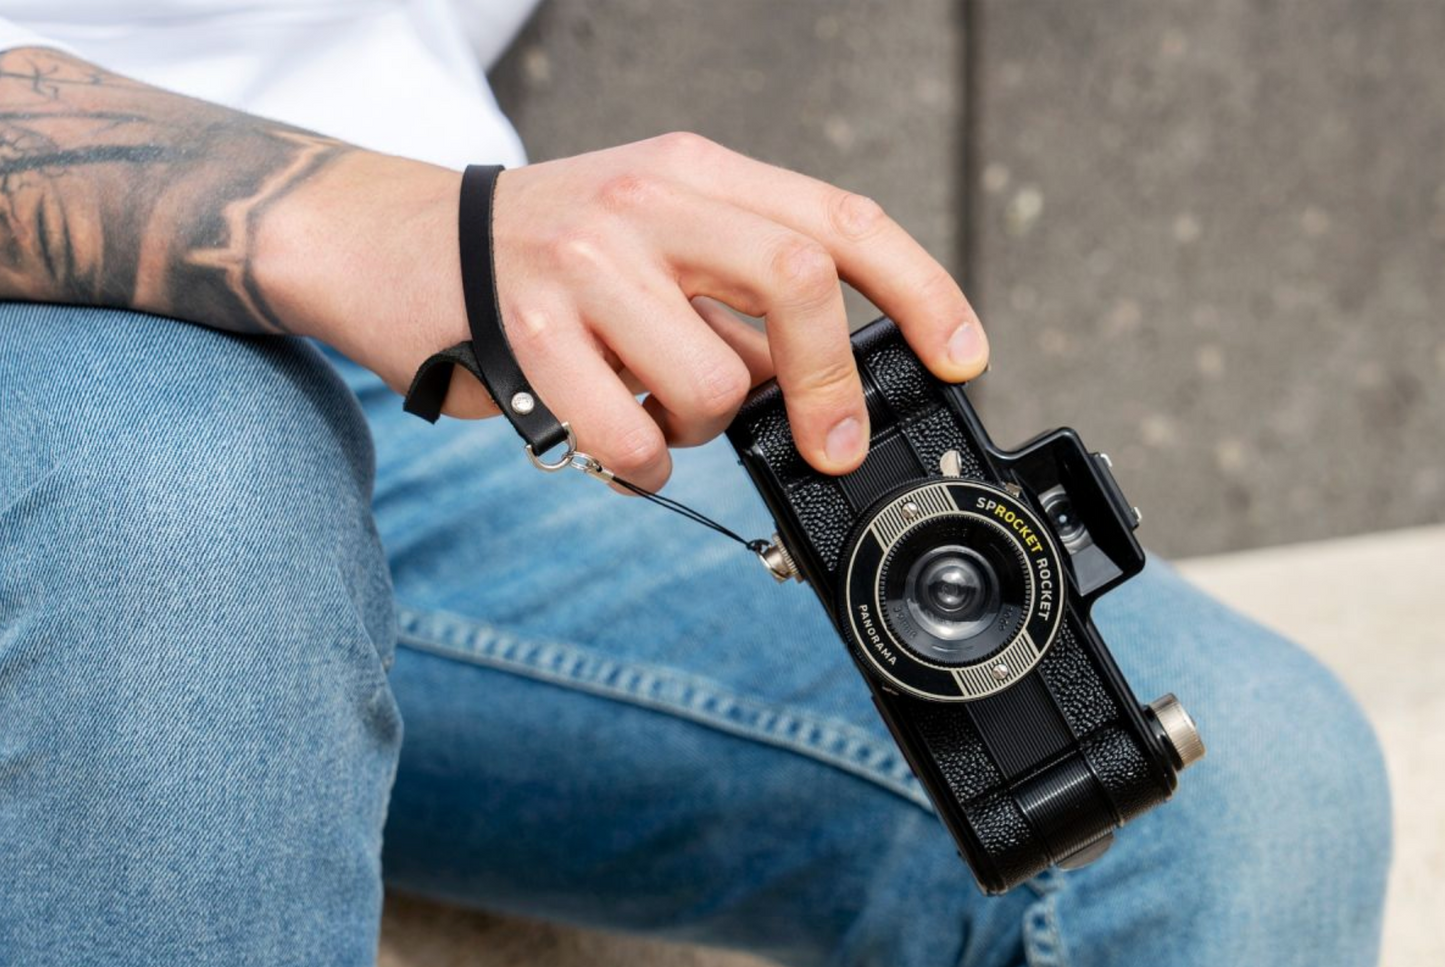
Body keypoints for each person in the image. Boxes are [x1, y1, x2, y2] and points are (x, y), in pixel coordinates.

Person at [0, 3, 1390, 966]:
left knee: (1244, 794)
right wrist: (355, 213)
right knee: (186, 503)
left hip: (440, 336)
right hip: (145, 352)